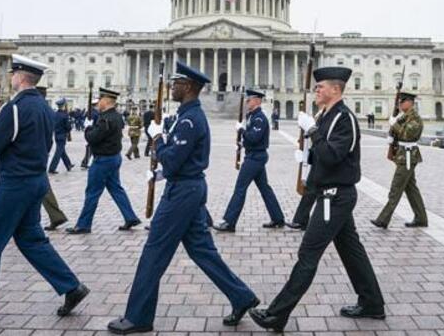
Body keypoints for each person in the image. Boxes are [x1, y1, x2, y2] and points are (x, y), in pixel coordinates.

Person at [108, 61, 259, 334]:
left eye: (176, 83)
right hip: (188, 187)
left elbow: (173, 159)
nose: (171, 87)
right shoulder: (187, 115)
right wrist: (162, 174)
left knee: (154, 251)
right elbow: (182, 162)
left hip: (182, 194)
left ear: (188, 87)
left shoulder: (190, 119)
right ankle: (241, 296)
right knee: (202, 251)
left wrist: (157, 139)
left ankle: (138, 316)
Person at [0, 55, 89, 327]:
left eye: (12, 74)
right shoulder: (44, 107)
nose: (10, 78)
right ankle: (71, 286)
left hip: (15, 184)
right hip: (36, 182)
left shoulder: (16, 108)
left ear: (20, 77)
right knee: (32, 240)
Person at [249, 66, 385, 332]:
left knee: (308, 253)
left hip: (334, 197)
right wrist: (307, 156)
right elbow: (323, 155)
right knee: (351, 251)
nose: (316, 91)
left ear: (336, 89)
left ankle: (277, 314)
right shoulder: (326, 116)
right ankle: (372, 303)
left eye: (320, 87)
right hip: (330, 195)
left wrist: (312, 131)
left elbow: (334, 155)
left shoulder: (343, 118)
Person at [66, 88, 141, 234]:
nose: (98, 103)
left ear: (106, 101)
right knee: (116, 189)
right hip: (114, 157)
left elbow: (93, 138)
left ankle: (83, 224)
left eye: (99, 100)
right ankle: (130, 217)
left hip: (103, 160)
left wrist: (88, 128)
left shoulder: (105, 118)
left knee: (92, 192)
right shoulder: (117, 116)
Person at [214, 89, 285, 232]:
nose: (247, 102)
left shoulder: (259, 118)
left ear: (258, 100)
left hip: (255, 158)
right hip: (254, 155)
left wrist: (242, 131)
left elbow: (254, 137)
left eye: (249, 99)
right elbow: (250, 140)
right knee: (265, 189)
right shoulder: (252, 116)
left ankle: (229, 221)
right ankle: (278, 218)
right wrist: (241, 144)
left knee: (240, 188)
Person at [371, 92, 427, 229]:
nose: (400, 104)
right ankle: (421, 218)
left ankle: (383, 219)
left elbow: (407, 135)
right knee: (411, 189)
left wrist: (394, 124)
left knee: (396, 189)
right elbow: (396, 132)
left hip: (408, 156)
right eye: (399, 102)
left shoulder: (415, 118)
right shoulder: (404, 117)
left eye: (403, 101)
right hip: (402, 156)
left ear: (410, 102)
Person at [37, 87, 69, 231]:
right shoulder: (49, 112)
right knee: (43, 188)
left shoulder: (29, 110)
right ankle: (55, 216)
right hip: (40, 153)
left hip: (24, 157)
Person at [48, 98, 74, 174]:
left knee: (62, 151)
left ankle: (68, 164)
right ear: (63, 106)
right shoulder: (65, 115)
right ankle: (52, 168)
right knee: (58, 152)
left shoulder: (55, 114)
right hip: (62, 135)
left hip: (56, 135)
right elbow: (68, 127)